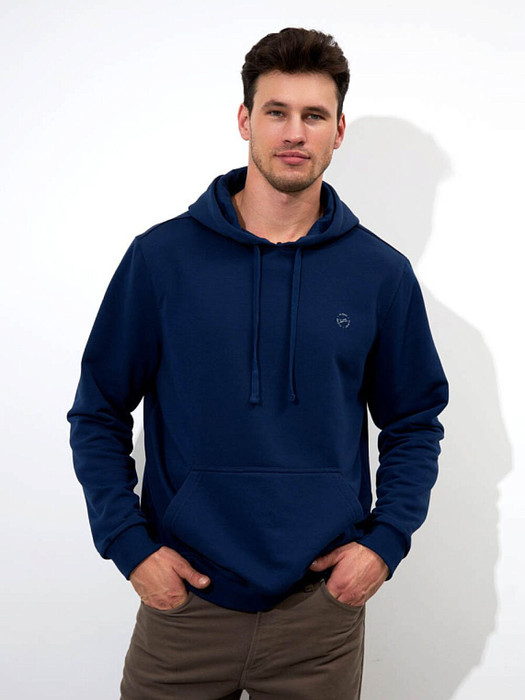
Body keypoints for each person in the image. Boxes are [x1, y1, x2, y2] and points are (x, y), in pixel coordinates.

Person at [67, 27, 448, 700]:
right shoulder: (161, 260)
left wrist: (383, 544)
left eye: (314, 115)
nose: (294, 133)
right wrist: (129, 545)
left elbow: (414, 421)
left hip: (318, 616)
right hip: (184, 608)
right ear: (245, 120)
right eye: (276, 111)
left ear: (338, 131)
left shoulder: (379, 274)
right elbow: (97, 411)